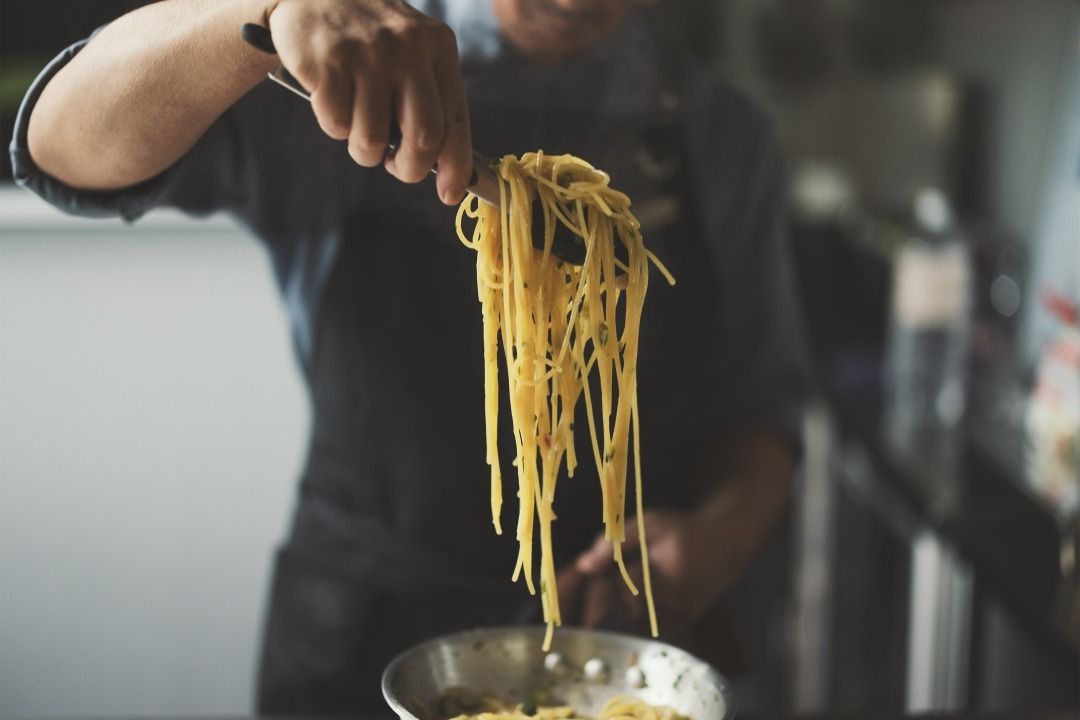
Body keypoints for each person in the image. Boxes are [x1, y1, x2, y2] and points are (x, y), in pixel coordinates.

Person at [12, 0, 808, 712]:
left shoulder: (717, 130)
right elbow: (56, 150)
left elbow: (759, 401)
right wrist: (255, 20)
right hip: (359, 631)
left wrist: (720, 537)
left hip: (617, 641)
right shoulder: (341, 51)